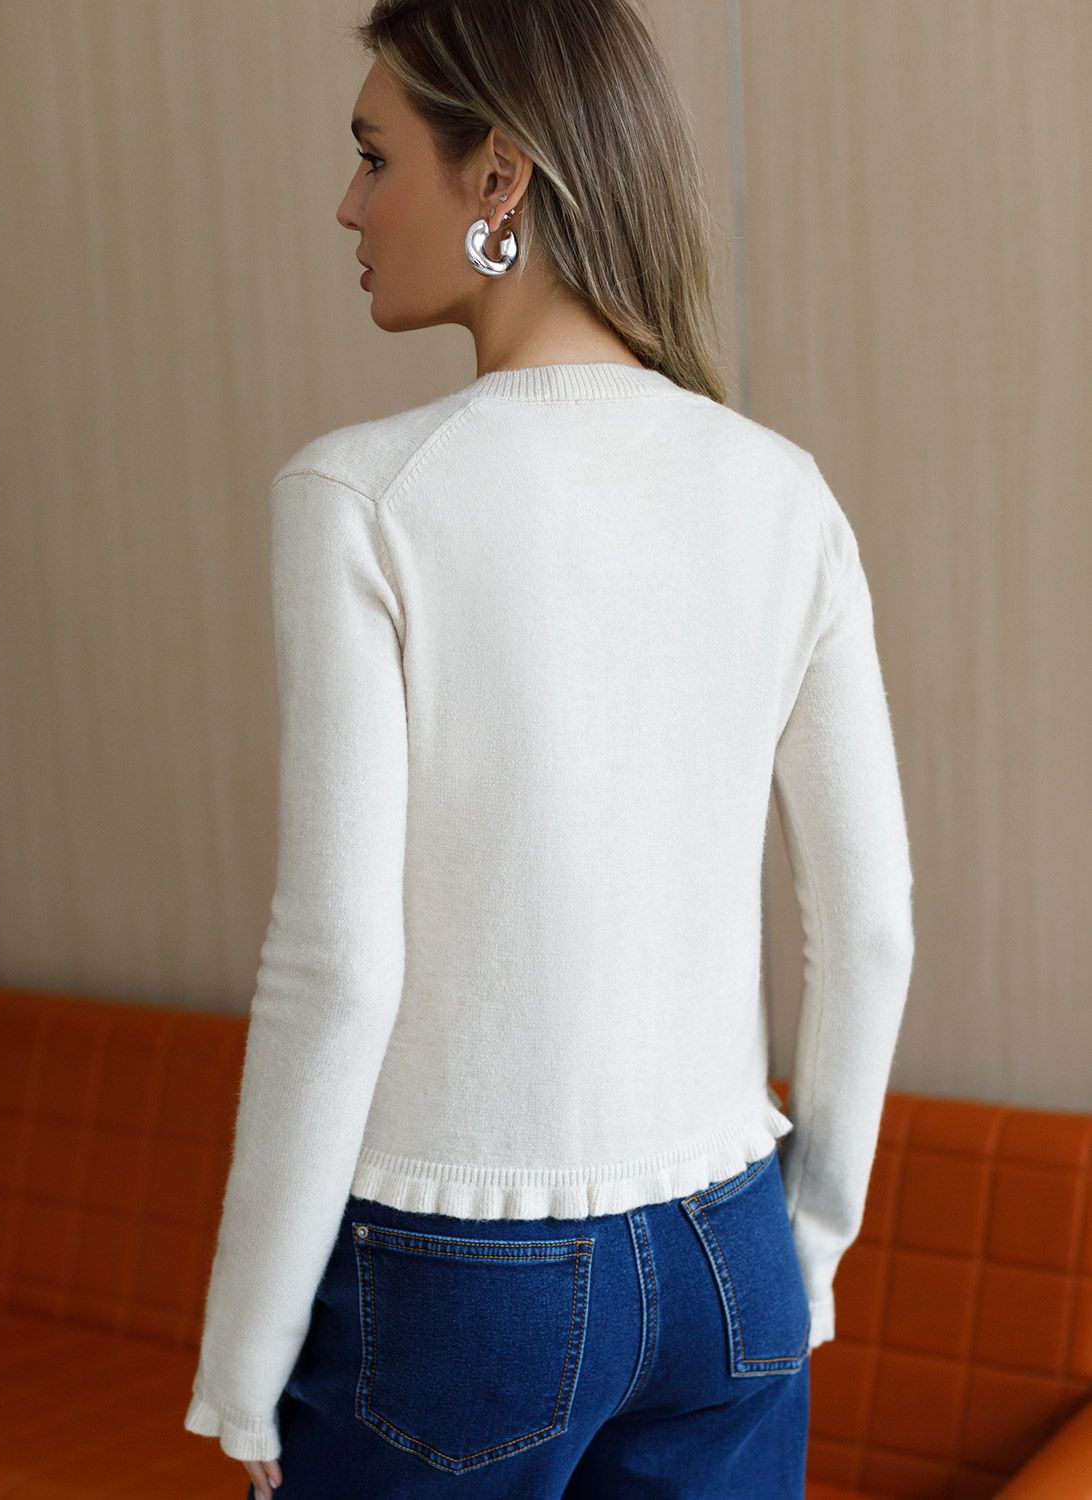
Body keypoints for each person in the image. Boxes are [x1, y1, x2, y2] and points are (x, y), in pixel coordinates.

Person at [183, 1, 915, 1496]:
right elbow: (872, 926)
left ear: (499, 176)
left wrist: (243, 1371)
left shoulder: (359, 499)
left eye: (375, 156)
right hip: (730, 1251)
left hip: (457, 1283)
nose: (348, 207)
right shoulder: (784, 493)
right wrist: (810, 1241)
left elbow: (337, 966)